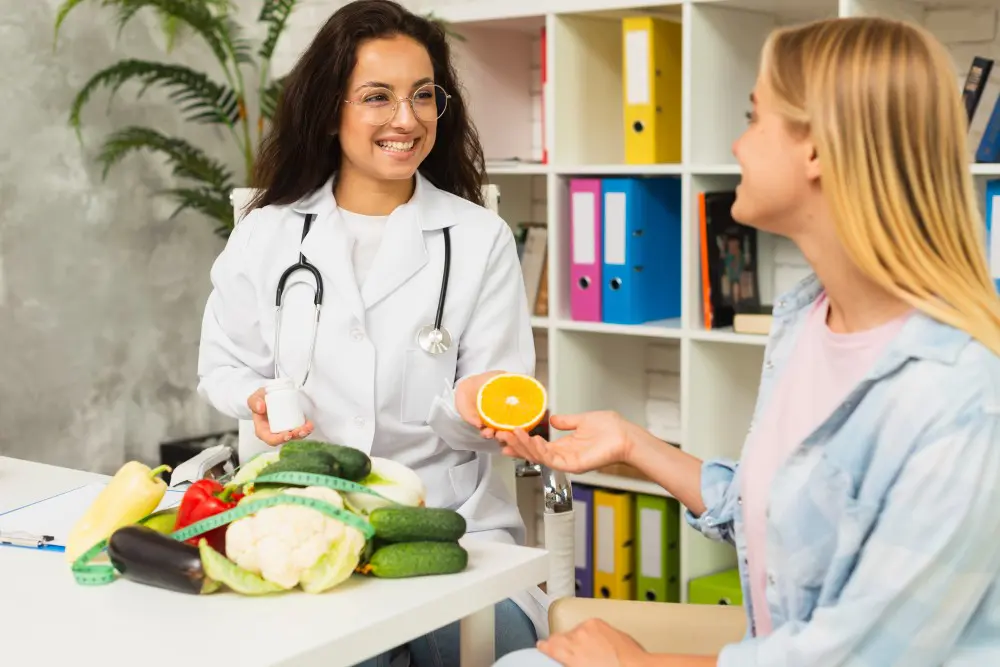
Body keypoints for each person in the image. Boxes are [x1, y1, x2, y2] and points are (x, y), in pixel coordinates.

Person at [489, 15, 1000, 667]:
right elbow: (778, 514)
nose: (737, 144)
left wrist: (634, 664)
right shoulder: (808, 320)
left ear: (816, 150)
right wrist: (634, 443)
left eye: (755, 118)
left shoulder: (960, 394)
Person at [195, 1, 546, 664]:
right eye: (377, 97)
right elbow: (222, 365)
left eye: (422, 96)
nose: (406, 119)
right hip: (307, 524)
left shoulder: (479, 238)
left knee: (500, 647)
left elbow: (496, 390)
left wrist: (473, 407)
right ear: (332, 110)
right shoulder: (268, 233)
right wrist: (258, 398)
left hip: (455, 527)